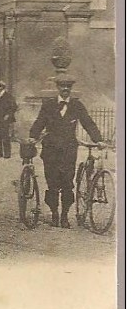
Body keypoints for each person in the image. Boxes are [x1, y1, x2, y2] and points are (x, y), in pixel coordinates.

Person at [28, 75, 103, 228]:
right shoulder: (48, 105)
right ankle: (55, 213)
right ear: (58, 88)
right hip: (50, 150)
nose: (65, 89)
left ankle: (64, 216)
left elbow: (88, 123)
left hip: (69, 150)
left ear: (71, 89)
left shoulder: (77, 106)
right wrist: (32, 136)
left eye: (68, 86)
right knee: (52, 183)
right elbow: (40, 122)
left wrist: (98, 139)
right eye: (62, 86)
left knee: (68, 183)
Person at [0, 80, 18, 158]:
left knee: (5, 136)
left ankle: (7, 153)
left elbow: (14, 107)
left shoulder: (8, 96)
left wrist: (8, 115)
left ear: (1, 87)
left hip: (5, 119)